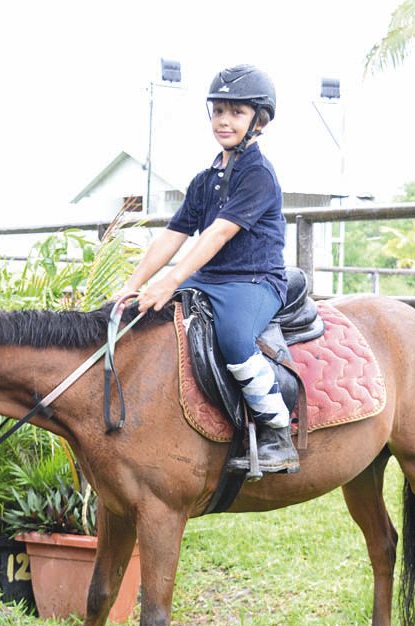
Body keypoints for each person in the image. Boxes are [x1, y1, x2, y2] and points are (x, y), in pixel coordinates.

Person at [114, 64, 298, 474]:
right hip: (209, 278)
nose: (224, 121)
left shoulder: (258, 175)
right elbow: (172, 235)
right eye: (218, 111)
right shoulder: (205, 179)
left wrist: (170, 282)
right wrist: (131, 286)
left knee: (234, 338)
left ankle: (277, 432)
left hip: (253, 280)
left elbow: (216, 235)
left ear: (259, 121)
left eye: (236, 112)